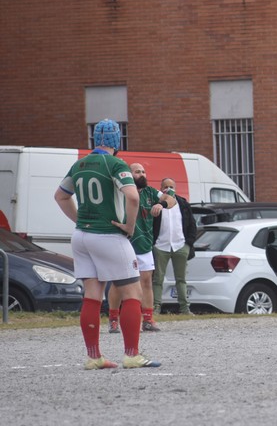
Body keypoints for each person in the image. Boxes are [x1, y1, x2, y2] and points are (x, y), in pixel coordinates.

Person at [53, 118, 160, 369]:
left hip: (81, 236)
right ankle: (132, 354)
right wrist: (130, 227)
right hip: (109, 234)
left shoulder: (79, 164)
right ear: (116, 139)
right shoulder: (115, 164)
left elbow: (60, 196)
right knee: (132, 292)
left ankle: (94, 357)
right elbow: (133, 197)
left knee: (92, 294)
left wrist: (80, 219)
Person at [108, 162, 176, 333]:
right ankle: (113, 319)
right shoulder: (120, 192)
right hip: (123, 242)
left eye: (144, 171)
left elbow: (172, 197)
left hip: (144, 243)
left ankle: (148, 319)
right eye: (137, 172)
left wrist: (162, 204)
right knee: (118, 282)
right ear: (129, 175)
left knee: (146, 281)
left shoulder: (150, 192)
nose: (142, 174)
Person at [151, 177, 197, 315]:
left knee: (181, 279)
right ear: (161, 188)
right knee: (157, 279)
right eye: (165, 186)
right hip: (161, 246)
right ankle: (156, 307)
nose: (168, 189)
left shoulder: (182, 203)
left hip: (180, 246)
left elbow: (192, 224)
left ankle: (184, 308)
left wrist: (188, 243)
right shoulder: (157, 204)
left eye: (171, 186)